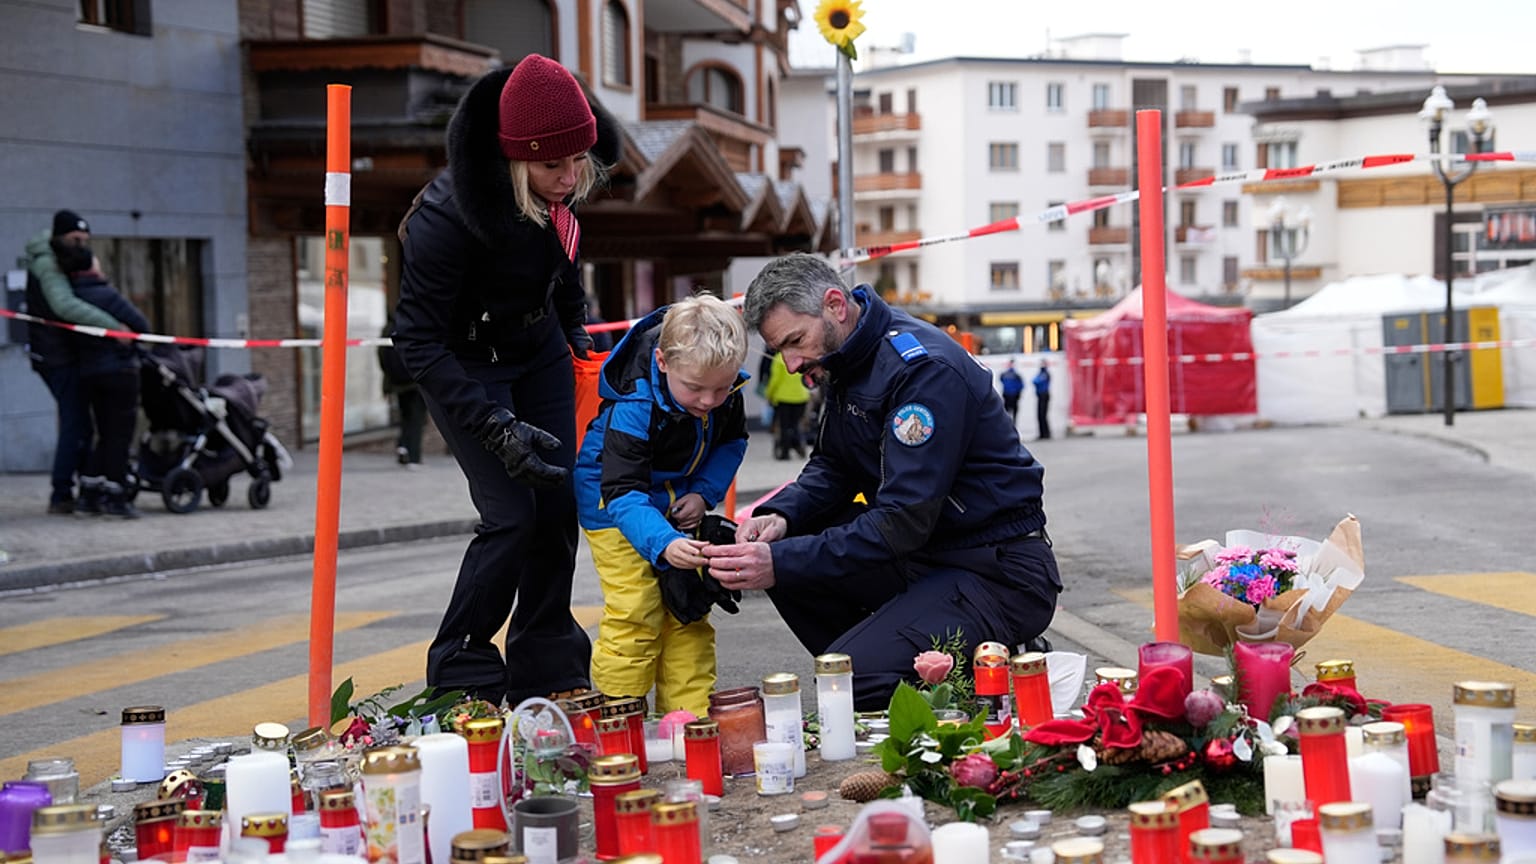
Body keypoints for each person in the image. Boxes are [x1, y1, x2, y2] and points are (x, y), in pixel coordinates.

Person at [703, 253, 1062, 710]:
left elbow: (901, 522)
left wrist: (779, 559)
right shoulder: (847, 359)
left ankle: (997, 672)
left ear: (835, 305)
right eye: (781, 351)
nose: (791, 365)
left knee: (851, 679)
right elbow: (833, 466)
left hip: (995, 572)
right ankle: (885, 655)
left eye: (796, 341)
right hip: (930, 557)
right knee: (794, 547)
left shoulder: (921, 370)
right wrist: (778, 516)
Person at [391, 54, 621, 706]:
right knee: (511, 517)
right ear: (515, 160)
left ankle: (549, 667)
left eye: (579, 161)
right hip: (460, 361)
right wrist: (493, 424)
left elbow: (563, 266)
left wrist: (576, 327)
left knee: (555, 509)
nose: (571, 177)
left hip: (537, 346)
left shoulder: (558, 193)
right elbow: (416, 342)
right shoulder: (445, 221)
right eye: (554, 166)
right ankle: (461, 671)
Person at [574, 293, 750, 716]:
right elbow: (621, 491)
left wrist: (703, 493)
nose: (709, 401)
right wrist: (663, 543)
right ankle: (622, 713)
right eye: (695, 389)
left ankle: (687, 719)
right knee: (638, 609)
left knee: (686, 608)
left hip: (675, 502)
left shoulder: (725, 389)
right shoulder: (634, 406)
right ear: (663, 361)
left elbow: (733, 442)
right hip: (614, 507)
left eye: (720, 389)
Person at [23, 210, 125, 514]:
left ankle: (81, 488)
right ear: (60, 237)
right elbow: (64, 305)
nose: (81, 245)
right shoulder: (48, 263)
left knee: (80, 424)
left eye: (84, 240)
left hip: (64, 354)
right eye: (75, 239)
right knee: (76, 424)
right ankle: (62, 493)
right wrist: (114, 328)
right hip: (57, 356)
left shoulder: (58, 257)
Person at [57, 244, 149, 519]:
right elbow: (141, 325)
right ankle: (116, 497)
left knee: (103, 434)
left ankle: (89, 494)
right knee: (118, 436)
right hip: (119, 372)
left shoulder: (70, 300)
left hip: (89, 374)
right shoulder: (105, 294)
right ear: (90, 267)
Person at [378, 315, 426, 468]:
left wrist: (388, 382)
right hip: (415, 382)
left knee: (405, 416)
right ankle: (414, 457)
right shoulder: (415, 324)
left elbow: (381, 355)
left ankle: (403, 447)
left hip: (397, 383)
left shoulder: (388, 328)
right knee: (416, 419)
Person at [764, 348, 810, 460]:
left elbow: (775, 380)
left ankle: (785, 452)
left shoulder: (780, 358)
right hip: (801, 396)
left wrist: (769, 394)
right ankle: (798, 444)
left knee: (784, 426)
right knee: (795, 424)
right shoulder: (802, 356)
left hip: (783, 397)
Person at [999, 360, 1024, 427]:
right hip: (1008, 396)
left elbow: (1021, 385)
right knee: (1007, 413)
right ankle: (1008, 426)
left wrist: (1018, 393)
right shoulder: (1005, 374)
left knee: (1013, 413)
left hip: (1013, 396)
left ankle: (1012, 426)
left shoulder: (1016, 375)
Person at [1033, 360, 1052, 440]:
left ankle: (1046, 434)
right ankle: (1042, 433)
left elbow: (1036, 381)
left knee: (1043, 415)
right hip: (1040, 395)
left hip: (1044, 395)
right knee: (1040, 415)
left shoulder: (1045, 374)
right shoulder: (1041, 373)